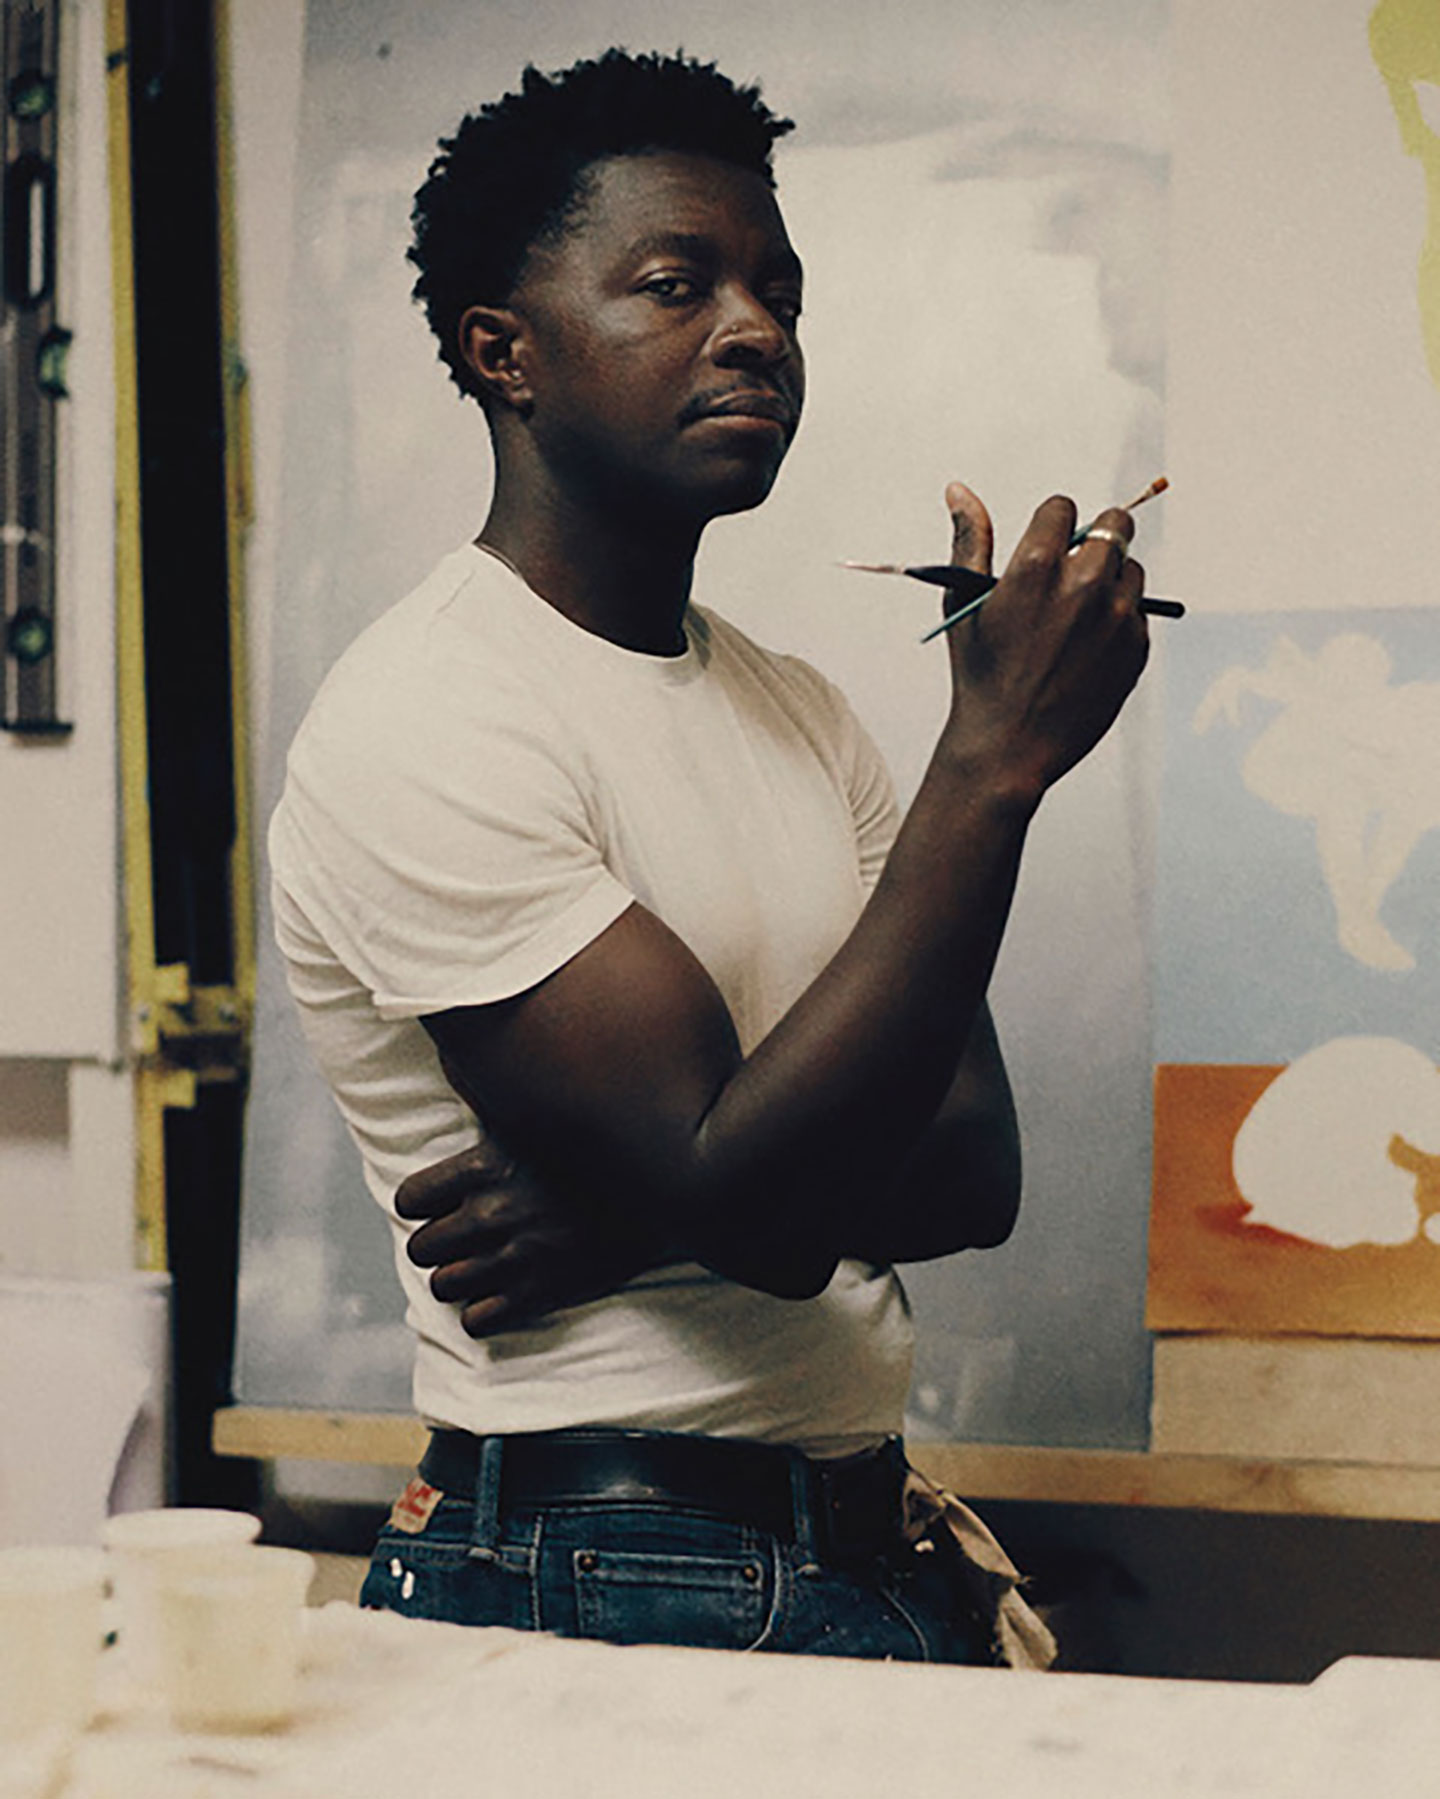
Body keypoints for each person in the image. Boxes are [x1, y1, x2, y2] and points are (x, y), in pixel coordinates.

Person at [269, 49, 1149, 1666]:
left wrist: (633, 1213)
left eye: (777, 292)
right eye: (677, 286)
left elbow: (972, 1170)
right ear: (503, 352)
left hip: (858, 1534)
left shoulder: (799, 713)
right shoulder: (431, 713)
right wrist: (993, 764)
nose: (756, 331)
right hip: (601, 1563)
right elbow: (754, 1204)